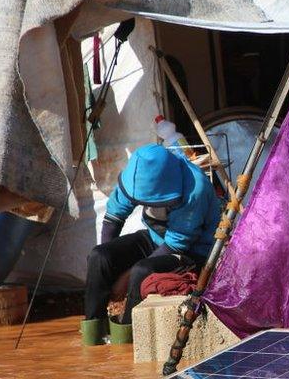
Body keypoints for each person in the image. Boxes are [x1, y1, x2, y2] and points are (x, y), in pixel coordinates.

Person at [80, 143, 221, 345]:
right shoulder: (133, 176)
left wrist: (125, 279)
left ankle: (127, 339)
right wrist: (110, 273)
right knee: (99, 257)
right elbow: (114, 216)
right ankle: (94, 335)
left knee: (140, 271)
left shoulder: (194, 188)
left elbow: (177, 243)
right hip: (156, 238)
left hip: (191, 251)